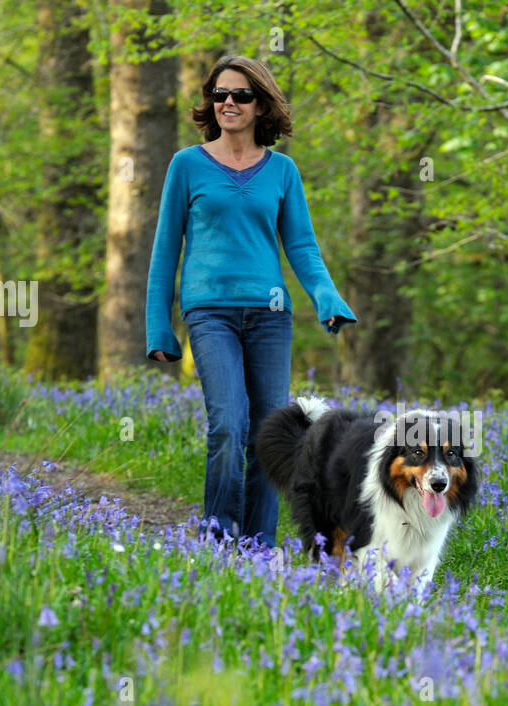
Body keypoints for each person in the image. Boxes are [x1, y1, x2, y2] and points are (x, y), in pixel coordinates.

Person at [145, 55, 356, 548]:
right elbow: (164, 251)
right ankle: (218, 542)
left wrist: (328, 297)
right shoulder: (186, 165)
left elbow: (301, 246)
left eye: (240, 95)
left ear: (260, 104)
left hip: (271, 315)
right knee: (227, 424)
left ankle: (257, 550)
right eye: (219, 94)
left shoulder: (282, 171)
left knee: (268, 436)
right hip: (209, 312)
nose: (228, 103)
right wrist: (159, 327)